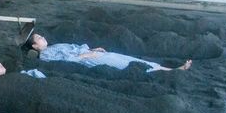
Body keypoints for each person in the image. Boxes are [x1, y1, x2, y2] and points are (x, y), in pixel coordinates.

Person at [22, 33, 192, 72]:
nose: (43, 37)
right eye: (39, 38)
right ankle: (171, 71)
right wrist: (85, 56)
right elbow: (65, 62)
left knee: (127, 58)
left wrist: (91, 49)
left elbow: (75, 48)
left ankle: (167, 69)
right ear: (35, 46)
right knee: (128, 64)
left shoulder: (55, 46)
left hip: (94, 55)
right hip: (91, 61)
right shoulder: (46, 55)